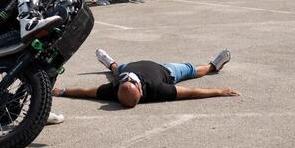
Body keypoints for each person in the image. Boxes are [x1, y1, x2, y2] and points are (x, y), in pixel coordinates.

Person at [52, 48, 237, 108]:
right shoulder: (157, 90)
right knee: (192, 70)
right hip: (166, 70)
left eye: (125, 83)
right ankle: (214, 65)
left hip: (128, 66)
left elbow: (86, 92)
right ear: (140, 92)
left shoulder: (114, 89)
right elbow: (190, 92)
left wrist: (63, 91)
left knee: (116, 70)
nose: (128, 81)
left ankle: (109, 62)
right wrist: (219, 91)